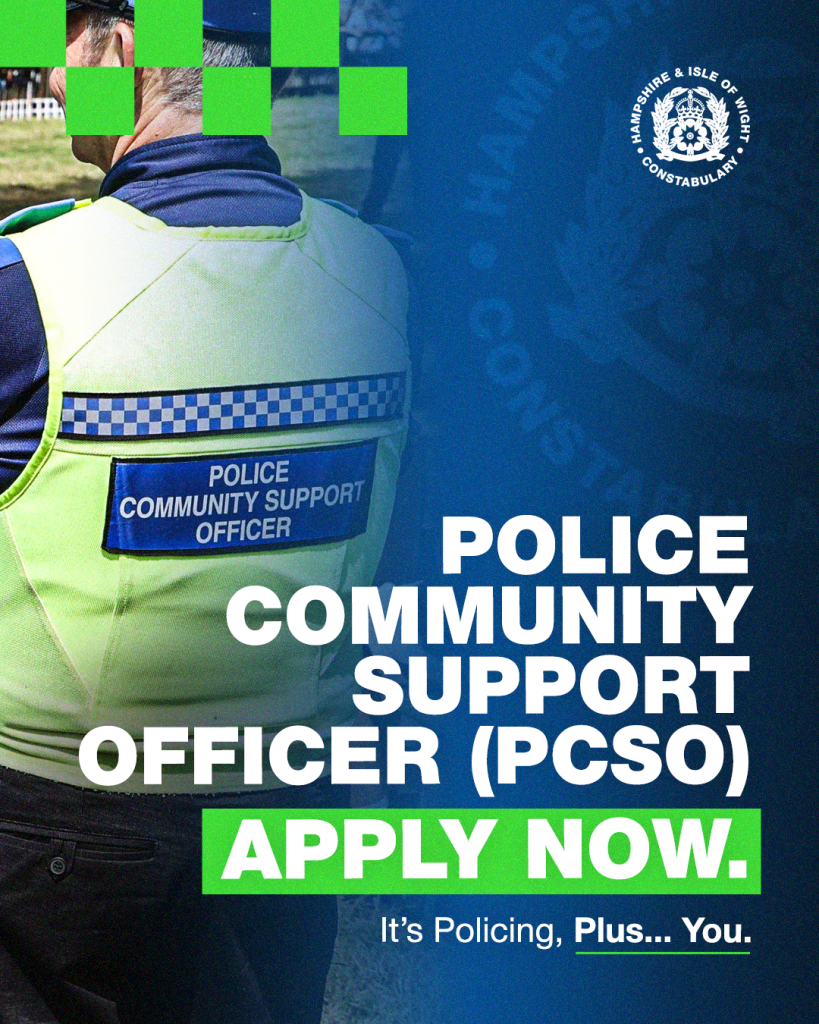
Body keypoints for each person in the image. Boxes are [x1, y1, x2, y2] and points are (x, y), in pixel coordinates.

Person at [0, 2, 411, 1022]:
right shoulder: (389, 274)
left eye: (62, 42)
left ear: (128, 48)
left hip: (56, 828)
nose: (49, 75)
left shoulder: (27, 289)